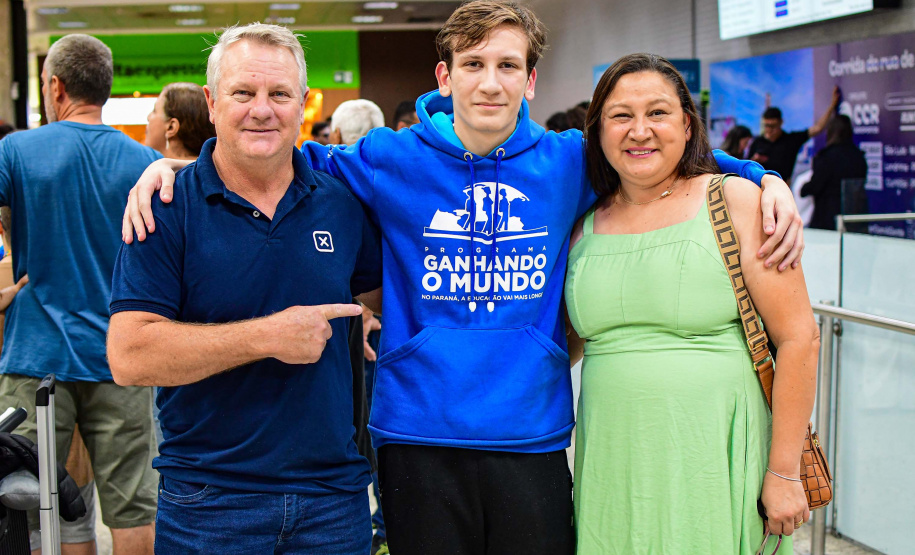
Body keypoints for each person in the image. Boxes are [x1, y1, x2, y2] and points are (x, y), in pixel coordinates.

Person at [122, 2, 806, 553]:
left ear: (529, 81)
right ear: (443, 77)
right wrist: (175, 168)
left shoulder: (569, 161)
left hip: (530, 433)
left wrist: (761, 174)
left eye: (507, 65)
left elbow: (654, 149)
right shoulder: (386, 158)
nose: (490, 80)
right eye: (473, 63)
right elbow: (273, 156)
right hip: (416, 433)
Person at [106, 23, 382, 554]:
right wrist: (265, 337)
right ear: (211, 103)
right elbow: (130, 355)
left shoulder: (342, 204)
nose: (262, 109)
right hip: (209, 503)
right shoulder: (165, 208)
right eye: (243, 93)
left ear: (303, 102)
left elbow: (384, 300)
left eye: (280, 94)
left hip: (334, 503)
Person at [566, 53, 819, 554]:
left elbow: (799, 338)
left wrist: (784, 471)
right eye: (621, 116)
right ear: (597, 132)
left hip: (715, 453)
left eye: (657, 113)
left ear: (687, 124)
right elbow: (565, 343)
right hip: (614, 458)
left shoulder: (739, 203)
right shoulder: (582, 226)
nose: (640, 130)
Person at [0, 34, 160, 555]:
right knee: (134, 508)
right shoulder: (143, 160)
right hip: (122, 355)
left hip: (35, 355)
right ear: (106, 90)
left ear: (55, 86)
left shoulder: (17, 150)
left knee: (34, 505)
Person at [749, 86, 840, 183]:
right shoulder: (757, 142)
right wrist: (755, 160)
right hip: (758, 189)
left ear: (781, 123)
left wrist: (832, 106)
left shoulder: (790, 140)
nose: (769, 130)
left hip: (782, 189)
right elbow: (746, 167)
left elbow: (817, 128)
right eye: (766, 126)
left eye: (773, 126)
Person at [801, 115, 868, 230]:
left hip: (828, 219)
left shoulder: (826, 157)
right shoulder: (858, 156)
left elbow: (815, 185)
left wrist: (803, 188)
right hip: (853, 217)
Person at [144, 82, 215, 159]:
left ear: (171, 127)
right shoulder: (214, 169)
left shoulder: (157, 169)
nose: (148, 117)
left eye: (155, 110)